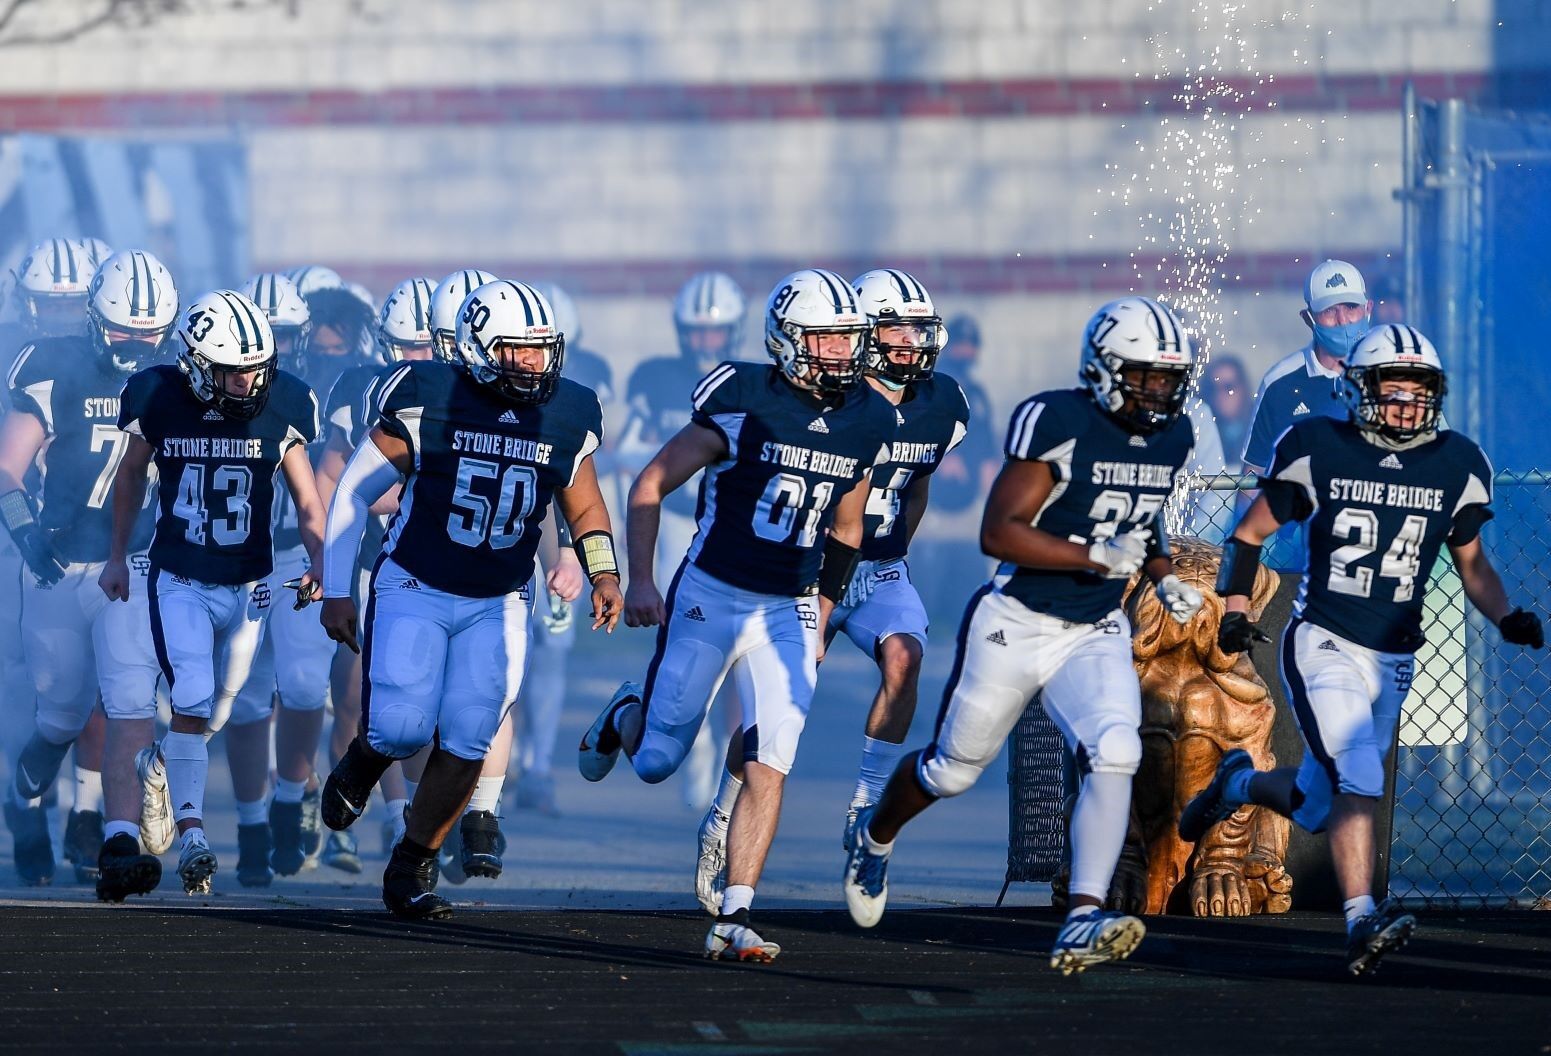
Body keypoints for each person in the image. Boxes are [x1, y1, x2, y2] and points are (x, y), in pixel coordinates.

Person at [841, 296, 1204, 976]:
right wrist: (1096, 558)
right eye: (1143, 377)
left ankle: (1081, 917)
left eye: (1166, 378)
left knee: (1116, 749)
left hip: (1091, 627)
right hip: (1016, 621)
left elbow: (1141, 518)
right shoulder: (1056, 420)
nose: (1157, 392)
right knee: (952, 770)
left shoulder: (1171, 435)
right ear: (1103, 369)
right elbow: (998, 530)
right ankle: (875, 834)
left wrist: (1161, 573)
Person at [1179, 323, 1544, 976]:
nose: (1405, 402)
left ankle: (1237, 781)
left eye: (1417, 390)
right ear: (1359, 391)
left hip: (1393, 655)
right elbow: (1249, 532)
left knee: (1322, 804)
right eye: (1391, 387)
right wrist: (1234, 609)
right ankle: (1359, 922)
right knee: (1359, 776)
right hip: (1323, 639)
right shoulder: (1319, 447)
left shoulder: (1454, 461)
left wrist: (1505, 614)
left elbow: (1472, 565)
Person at [578, 268, 896, 962]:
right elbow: (651, 482)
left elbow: (847, 525)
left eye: (847, 340)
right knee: (658, 759)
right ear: (786, 341)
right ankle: (626, 711)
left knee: (772, 757)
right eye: (825, 340)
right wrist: (639, 579)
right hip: (711, 594)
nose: (840, 354)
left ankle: (736, 911)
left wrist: (822, 605)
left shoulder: (867, 416)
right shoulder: (741, 396)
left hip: (787, 603)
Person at [319, 279, 622, 920]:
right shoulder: (430, 398)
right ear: (481, 348)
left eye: (542, 349)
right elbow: (351, 491)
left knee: (467, 737)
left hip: (500, 596)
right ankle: (366, 756)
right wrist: (339, 588)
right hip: (416, 583)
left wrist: (603, 572)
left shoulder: (567, 411)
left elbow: (585, 503)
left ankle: (411, 863)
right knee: (401, 726)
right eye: (520, 350)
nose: (535, 363)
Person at [689, 268, 970, 916]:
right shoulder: (827, 400)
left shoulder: (942, 402)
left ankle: (865, 809)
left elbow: (916, 481)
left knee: (906, 659)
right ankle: (724, 813)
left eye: (916, 328)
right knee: (780, 699)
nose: (908, 341)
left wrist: (894, 548)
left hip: (876, 566)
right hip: (807, 570)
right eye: (894, 327)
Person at [101, 289, 325, 896]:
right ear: (197, 364)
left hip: (250, 582)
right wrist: (118, 555)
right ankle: (195, 837)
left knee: (222, 711)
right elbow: (128, 475)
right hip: (180, 576)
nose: (250, 382)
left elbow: (308, 500)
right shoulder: (159, 396)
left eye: (257, 368)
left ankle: (157, 765)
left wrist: (320, 558)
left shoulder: (282, 404)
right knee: (193, 696)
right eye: (233, 370)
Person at [0, 250, 175, 892]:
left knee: (129, 701)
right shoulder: (55, 365)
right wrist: (24, 535)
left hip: (133, 563)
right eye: (123, 329)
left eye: (147, 331)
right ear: (98, 322)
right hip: (59, 565)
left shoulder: (179, 378)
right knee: (62, 714)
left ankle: (116, 841)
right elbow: (7, 468)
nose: (135, 343)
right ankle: (40, 765)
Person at [615, 271, 750, 811]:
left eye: (714, 335)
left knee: (742, 657)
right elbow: (629, 453)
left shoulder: (746, 383)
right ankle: (686, 745)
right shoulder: (656, 378)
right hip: (674, 523)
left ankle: (728, 761)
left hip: (732, 531)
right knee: (683, 639)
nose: (704, 343)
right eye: (696, 333)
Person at [1242, 260, 1372, 568]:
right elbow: (1252, 476)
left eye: (1350, 307)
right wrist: (1251, 557)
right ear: (1308, 318)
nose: (1343, 320)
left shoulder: (1392, 372)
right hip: (1295, 554)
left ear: (1368, 308)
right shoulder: (1282, 383)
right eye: (1329, 311)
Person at [1201, 353, 1252, 473]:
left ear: (1243, 389)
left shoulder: (1262, 427)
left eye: (1228, 387)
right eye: (1213, 388)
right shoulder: (1201, 431)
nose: (1220, 395)